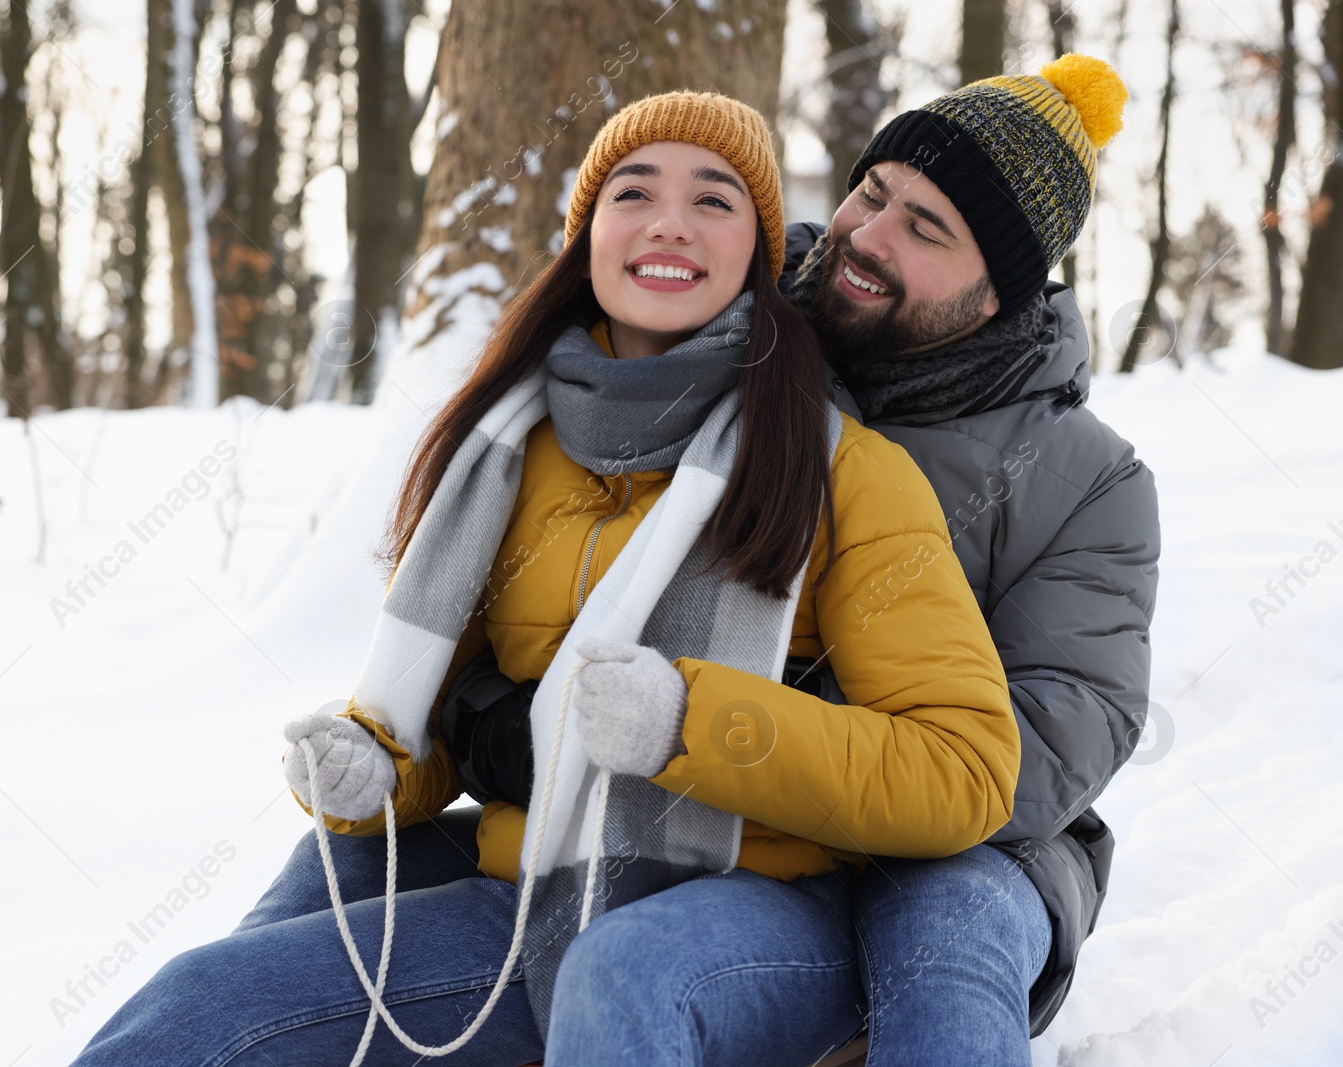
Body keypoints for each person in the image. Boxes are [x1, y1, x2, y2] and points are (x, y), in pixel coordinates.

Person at [69, 90, 1024, 1067]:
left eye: (714, 200)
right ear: (587, 234)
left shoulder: (840, 470)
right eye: (632, 191)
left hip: (770, 908)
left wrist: (690, 721)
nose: (667, 222)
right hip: (531, 882)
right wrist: (379, 768)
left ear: (759, 254)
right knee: (202, 1005)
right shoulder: (501, 452)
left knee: (623, 964)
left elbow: (966, 772)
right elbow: (467, 731)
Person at [770, 53, 1160, 1061]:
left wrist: (778, 766)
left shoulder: (1087, 479)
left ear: (998, 292)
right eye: (873, 191)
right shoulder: (739, 340)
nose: (867, 233)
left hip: (968, 844)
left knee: (947, 935)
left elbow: (1061, 730)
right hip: (703, 780)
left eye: (924, 227)